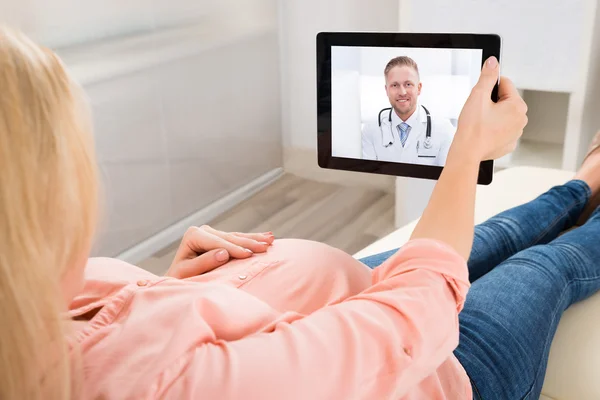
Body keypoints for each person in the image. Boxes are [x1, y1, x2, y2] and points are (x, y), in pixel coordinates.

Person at [2, 26, 600, 400]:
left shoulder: (31, 306)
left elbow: (129, 338)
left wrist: (163, 291)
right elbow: (416, 314)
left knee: (495, 232)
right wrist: (467, 152)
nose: (400, 94)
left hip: (350, 297)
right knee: (546, 263)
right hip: (437, 364)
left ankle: (577, 186)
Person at [361, 56, 455, 166]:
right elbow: (369, 177)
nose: (402, 92)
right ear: (386, 90)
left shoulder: (444, 129)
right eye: (395, 85)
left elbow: (448, 177)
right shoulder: (370, 130)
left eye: (408, 84)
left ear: (419, 88)